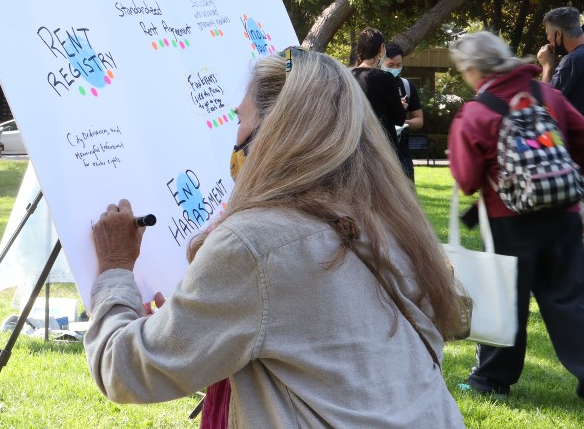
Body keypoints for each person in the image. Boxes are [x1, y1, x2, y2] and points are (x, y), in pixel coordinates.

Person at [85, 50, 466, 428]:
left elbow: (124, 369)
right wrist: (205, 329)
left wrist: (115, 270)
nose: (235, 136)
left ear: (274, 133)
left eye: (240, 119)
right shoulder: (387, 221)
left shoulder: (254, 243)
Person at [448, 30, 584, 399]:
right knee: (569, 297)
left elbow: (467, 179)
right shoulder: (547, 94)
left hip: (509, 219)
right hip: (564, 212)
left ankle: (490, 380)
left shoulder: (477, 112)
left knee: (505, 300)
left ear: (473, 69)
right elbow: (581, 138)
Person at [351, 27, 406, 154]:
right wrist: (400, 107)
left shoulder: (347, 76)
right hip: (381, 148)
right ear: (381, 48)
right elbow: (400, 118)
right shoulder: (385, 78)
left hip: (353, 145)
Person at [381, 43, 424, 181]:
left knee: (407, 190)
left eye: (398, 65)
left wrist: (402, 121)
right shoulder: (373, 84)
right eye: (391, 65)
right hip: (379, 146)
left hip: (401, 149)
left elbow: (419, 120)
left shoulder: (406, 86)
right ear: (381, 61)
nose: (395, 68)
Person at [537, 6, 584, 114]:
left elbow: (546, 105)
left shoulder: (572, 61)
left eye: (548, 35)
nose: (549, 42)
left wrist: (547, 65)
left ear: (558, 34)